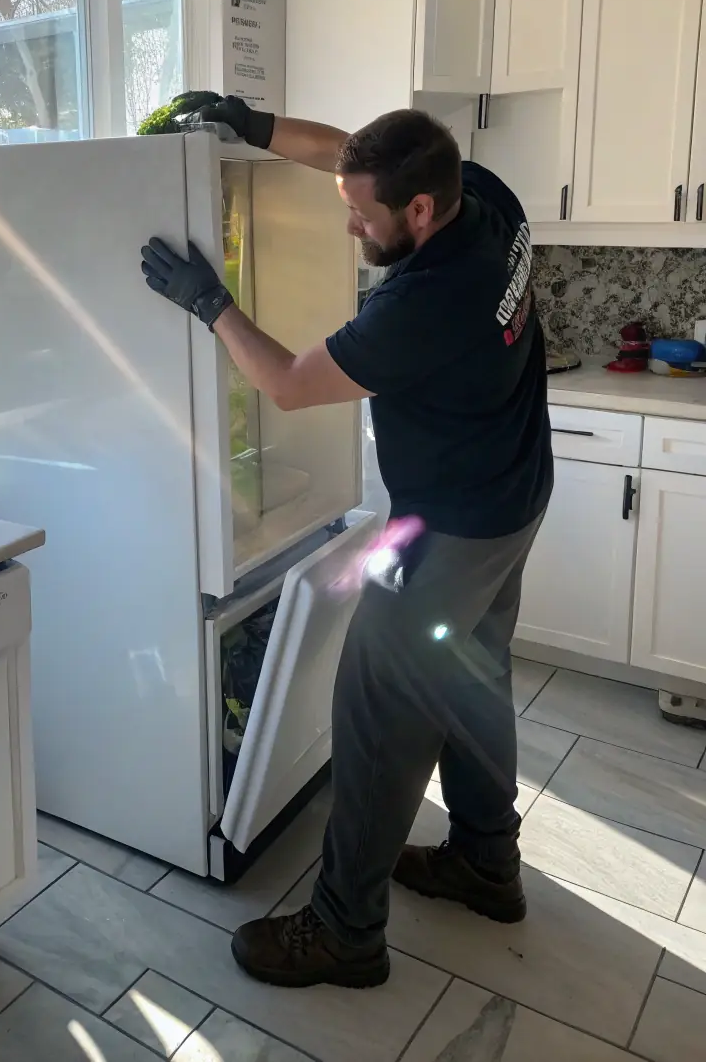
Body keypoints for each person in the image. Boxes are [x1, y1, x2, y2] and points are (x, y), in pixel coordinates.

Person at [140, 95, 552, 990]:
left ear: (419, 211)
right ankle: (486, 860)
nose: (350, 224)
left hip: (449, 530)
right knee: (476, 679)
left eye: (363, 215)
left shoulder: (428, 299)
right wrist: (250, 122)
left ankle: (344, 930)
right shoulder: (482, 192)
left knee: (377, 718)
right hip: (514, 499)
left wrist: (210, 303)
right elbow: (344, 154)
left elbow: (288, 383)